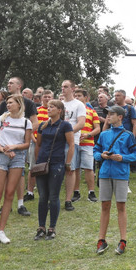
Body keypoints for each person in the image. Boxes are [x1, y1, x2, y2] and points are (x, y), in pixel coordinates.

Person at [94, 105, 136, 255]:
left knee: (121, 206)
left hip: (121, 174)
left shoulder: (128, 135)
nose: (108, 116)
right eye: (108, 114)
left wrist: (122, 158)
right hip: (105, 173)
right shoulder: (104, 134)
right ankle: (101, 240)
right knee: (105, 206)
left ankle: (123, 240)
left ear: (120, 117)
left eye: (112, 114)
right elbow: (96, 151)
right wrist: (101, 155)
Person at [0, 94, 32, 246]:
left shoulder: (26, 122)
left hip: (18, 158)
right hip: (1, 156)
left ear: (19, 104)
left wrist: (14, 147)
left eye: (11, 102)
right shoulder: (2, 119)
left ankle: (1, 230)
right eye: (7, 102)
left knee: (9, 194)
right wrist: (4, 149)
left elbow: (27, 144)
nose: (8, 105)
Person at [0, 77, 38, 217]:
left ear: (19, 86)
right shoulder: (4, 104)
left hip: (21, 146)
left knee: (19, 174)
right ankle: (5, 204)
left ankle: (20, 204)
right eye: (7, 82)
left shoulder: (29, 103)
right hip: (4, 147)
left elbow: (35, 122)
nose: (8, 85)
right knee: (4, 174)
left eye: (11, 83)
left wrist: (25, 136)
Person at [33, 100, 74, 241]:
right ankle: (41, 227)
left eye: (52, 107)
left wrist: (68, 162)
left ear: (59, 110)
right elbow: (38, 145)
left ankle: (52, 228)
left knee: (54, 196)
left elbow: (71, 144)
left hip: (57, 163)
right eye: (48, 106)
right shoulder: (42, 125)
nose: (49, 109)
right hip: (42, 163)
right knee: (42, 196)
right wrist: (37, 162)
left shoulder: (65, 125)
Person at [60, 80, 86, 211]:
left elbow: (81, 123)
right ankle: (53, 198)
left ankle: (68, 199)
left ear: (73, 89)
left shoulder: (79, 105)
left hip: (71, 141)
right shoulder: (59, 104)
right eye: (62, 87)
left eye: (66, 87)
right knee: (56, 169)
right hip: (58, 141)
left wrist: (68, 133)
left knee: (70, 169)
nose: (63, 89)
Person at [72, 88, 100, 203]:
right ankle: (76, 192)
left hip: (88, 144)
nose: (77, 98)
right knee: (75, 168)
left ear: (86, 98)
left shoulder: (92, 111)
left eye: (79, 95)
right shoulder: (72, 110)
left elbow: (98, 128)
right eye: (76, 96)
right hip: (74, 143)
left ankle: (91, 192)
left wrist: (88, 134)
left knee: (88, 168)